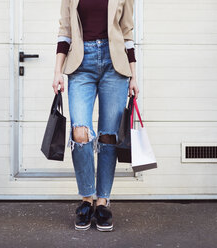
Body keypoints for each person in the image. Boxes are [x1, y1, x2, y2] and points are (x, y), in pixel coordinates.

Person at [52, 0, 139, 232]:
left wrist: (134, 75)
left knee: (109, 136)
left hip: (115, 65)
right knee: (80, 132)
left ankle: (102, 201)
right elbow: (65, 32)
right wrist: (57, 72)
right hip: (81, 65)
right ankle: (86, 199)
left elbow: (127, 32)